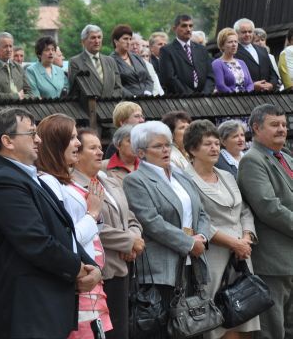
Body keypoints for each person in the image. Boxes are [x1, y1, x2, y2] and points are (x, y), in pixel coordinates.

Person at [0, 108, 99, 339]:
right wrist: (77, 268)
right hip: (30, 307)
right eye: (31, 133)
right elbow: (34, 241)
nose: (38, 139)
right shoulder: (3, 181)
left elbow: (63, 231)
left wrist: (91, 266)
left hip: (48, 304)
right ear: (8, 141)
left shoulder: (27, 177)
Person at [123, 121, 211, 338]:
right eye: (158, 146)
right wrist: (189, 243)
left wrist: (202, 237)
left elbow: (202, 212)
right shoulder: (136, 180)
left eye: (168, 145)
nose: (166, 150)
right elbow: (152, 222)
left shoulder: (181, 175)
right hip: (163, 269)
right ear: (141, 152)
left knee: (194, 326)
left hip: (193, 263)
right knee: (166, 331)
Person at [34, 116, 113, 338]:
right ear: (55, 143)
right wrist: (93, 214)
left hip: (91, 280)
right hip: (78, 280)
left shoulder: (66, 181)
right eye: (72, 138)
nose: (77, 143)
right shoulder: (48, 182)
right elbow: (66, 237)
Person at [183, 119, 259, 339]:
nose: (215, 147)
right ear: (192, 149)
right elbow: (199, 220)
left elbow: (244, 210)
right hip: (213, 256)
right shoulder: (185, 179)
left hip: (242, 254)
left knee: (247, 316)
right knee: (222, 322)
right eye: (208, 143)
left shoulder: (226, 175)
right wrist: (233, 243)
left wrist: (245, 238)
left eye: (217, 143)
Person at [73, 127, 144, 339]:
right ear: (77, 154)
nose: (99, 152)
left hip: (125, 266)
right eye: (92, 148)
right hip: (103, 271)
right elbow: (94, 225)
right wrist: (129, 242)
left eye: (100, 147)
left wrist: (135, 237)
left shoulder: (108, 180)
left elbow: (130, 215)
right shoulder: (73, 186)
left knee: (123, 331)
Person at [237, 104, 293, 339]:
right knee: (273, 330)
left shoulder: (287, 157)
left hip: (289, 259)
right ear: (256, 128)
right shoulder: (252, 160)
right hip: (272, 261)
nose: (281, 129)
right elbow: (268, 207)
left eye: (283, 124)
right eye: (274, 125)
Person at [160, 14, 215, 94]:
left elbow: (210, 75)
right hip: (180, 99)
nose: (188, 29)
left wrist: (205, 93)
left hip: (204, 98)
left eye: (190, 26)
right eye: (184, 26)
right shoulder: (167, 51)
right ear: (174, 29)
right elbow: (170, 78)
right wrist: (190, 95)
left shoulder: (202, 49)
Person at [68, 24, 123, 99]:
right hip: (89, 108)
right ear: (83, 42)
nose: (97, 41)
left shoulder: (110, 61)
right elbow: (76, 91)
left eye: (99, 37)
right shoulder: (75, 62)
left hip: (111, 106)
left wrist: (109, 102)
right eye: (93, 38)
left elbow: (118, 87)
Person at [0, 32, 30, 101]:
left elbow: (29, 92)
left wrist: (24, 97)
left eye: (10, 46)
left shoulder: (18, 67)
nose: (9, 50)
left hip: (21, 109)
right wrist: (17, 96)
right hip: (1, 110)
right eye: (5, 46)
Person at [234, 18, 279, 92]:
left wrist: (271, 84)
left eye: (250, 31)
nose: (247, 34)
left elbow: (273, 73)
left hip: (267, 94)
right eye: (244, 32)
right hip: (246, 96)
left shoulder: (263, 50)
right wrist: (252, 85)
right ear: (236, 33)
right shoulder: (234, 52)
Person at [110, 24, 153, 97]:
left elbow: (149, 79)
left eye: (130, 39)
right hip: (127, 101)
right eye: (125, 39)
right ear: (116, 41)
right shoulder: (110, 60)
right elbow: (116, 85)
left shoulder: (136, 57)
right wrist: (132, 97)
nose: (129, 42)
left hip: (147, 98)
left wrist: (148, 92)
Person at [212, 28, 254, 93]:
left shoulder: (241, 62)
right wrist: (235, 96)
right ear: (222, 45)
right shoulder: (217, 63)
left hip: (246, 100)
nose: (234, 45)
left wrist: (246, 94)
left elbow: (250, 84)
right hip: (228, 100)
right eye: (230, 42)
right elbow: (220, 85)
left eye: (235, 42)